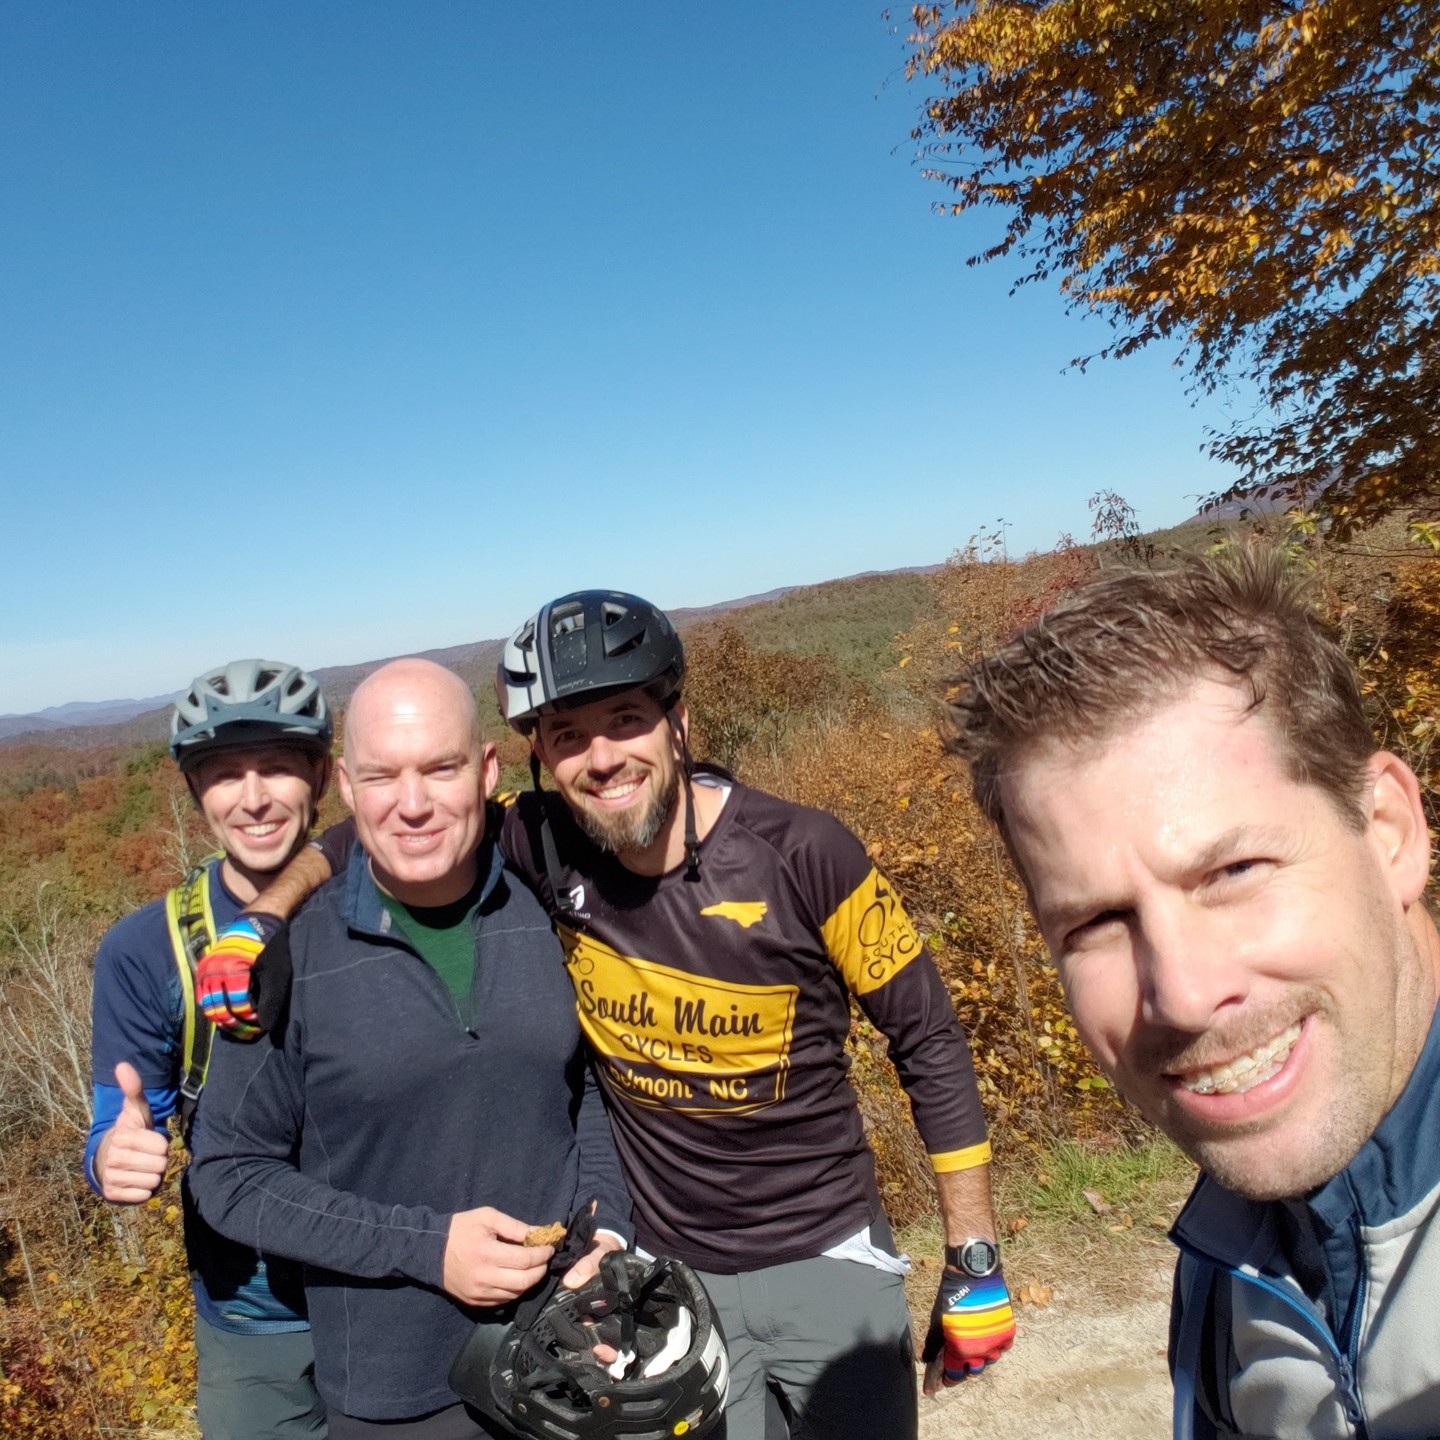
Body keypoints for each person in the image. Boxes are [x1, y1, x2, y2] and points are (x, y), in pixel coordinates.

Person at [222, 594, 1014, 1438]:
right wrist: (261, 920)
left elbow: (927, 1037)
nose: (601, 759)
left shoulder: (808, 854)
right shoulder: (540, 843)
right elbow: (376, 829)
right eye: (567, 735)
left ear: (679, 719)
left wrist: (974, 1259)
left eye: (626, 719)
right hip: (671, 1276)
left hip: (823, 1253)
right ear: (535, 760)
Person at [945, 548, 1440, 1439]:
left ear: (1392, 834)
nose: (1180, 992)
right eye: (1096, 923)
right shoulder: (1228, 1258)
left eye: (1234, 869)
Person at [187, 658, 632, 1440]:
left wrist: (606, 1230)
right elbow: (228, 1175)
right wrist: (425, 1247)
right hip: (401, 1395)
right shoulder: (294, 957)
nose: (415, 804)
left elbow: (584, 1089)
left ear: (488, 770)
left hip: (570, 1354)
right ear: (348, 789)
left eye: (442, 768)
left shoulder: (543, 902)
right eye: (383, 777)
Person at [86, 659, 333, 1439]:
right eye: (224, 774)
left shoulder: (395, 897)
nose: (253, 798)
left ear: (322, 776)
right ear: (196, 794)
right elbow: (119, 1118)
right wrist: (111, 1157)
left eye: (278, 769)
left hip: (401, 1287)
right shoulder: (147, 948)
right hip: (253, 1306)